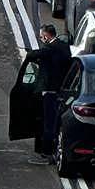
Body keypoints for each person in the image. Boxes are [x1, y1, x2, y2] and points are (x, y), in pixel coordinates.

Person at [25, 23, 73, 164]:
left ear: (46, 36)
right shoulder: (64, 47)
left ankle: (47, 153)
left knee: (48, 123)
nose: (41, 39)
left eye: (41, 37)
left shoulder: (50, 49)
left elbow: (32, 55)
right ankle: (54, 151)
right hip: (61, 91)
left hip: (49, 92)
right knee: (56, 123)